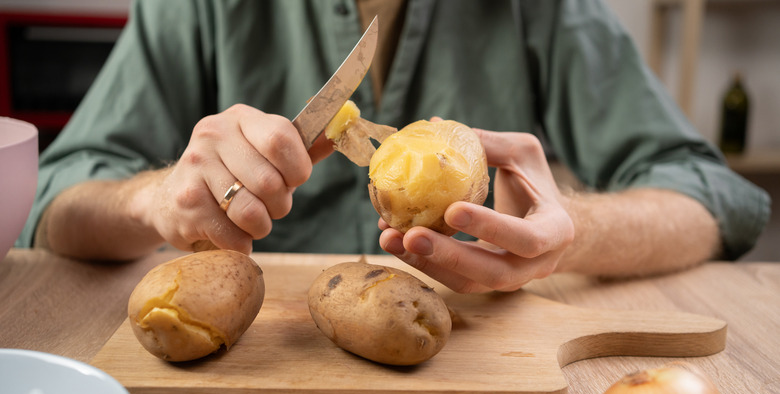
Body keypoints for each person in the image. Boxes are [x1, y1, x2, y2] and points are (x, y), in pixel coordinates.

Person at [18, 0, 770, 294]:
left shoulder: (543, 10)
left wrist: (569, 233)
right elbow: (52, 204)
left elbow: (714, 195)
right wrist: (151, 199)